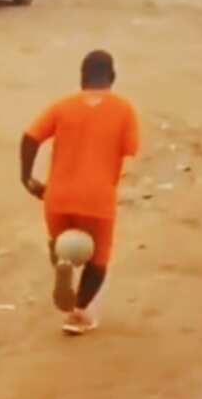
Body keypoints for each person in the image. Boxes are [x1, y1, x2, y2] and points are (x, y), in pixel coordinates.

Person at [20, 51, 140, 334]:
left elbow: (29, 138)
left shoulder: (63, 106)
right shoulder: (124, 110)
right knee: (98, 260)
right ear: (112, 78)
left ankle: (63, 261)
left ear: (82, 78)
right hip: (97, 198)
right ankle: (79, 313)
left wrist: (27, 178)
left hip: (57, 197)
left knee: (64, 244)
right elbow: (132, 156)